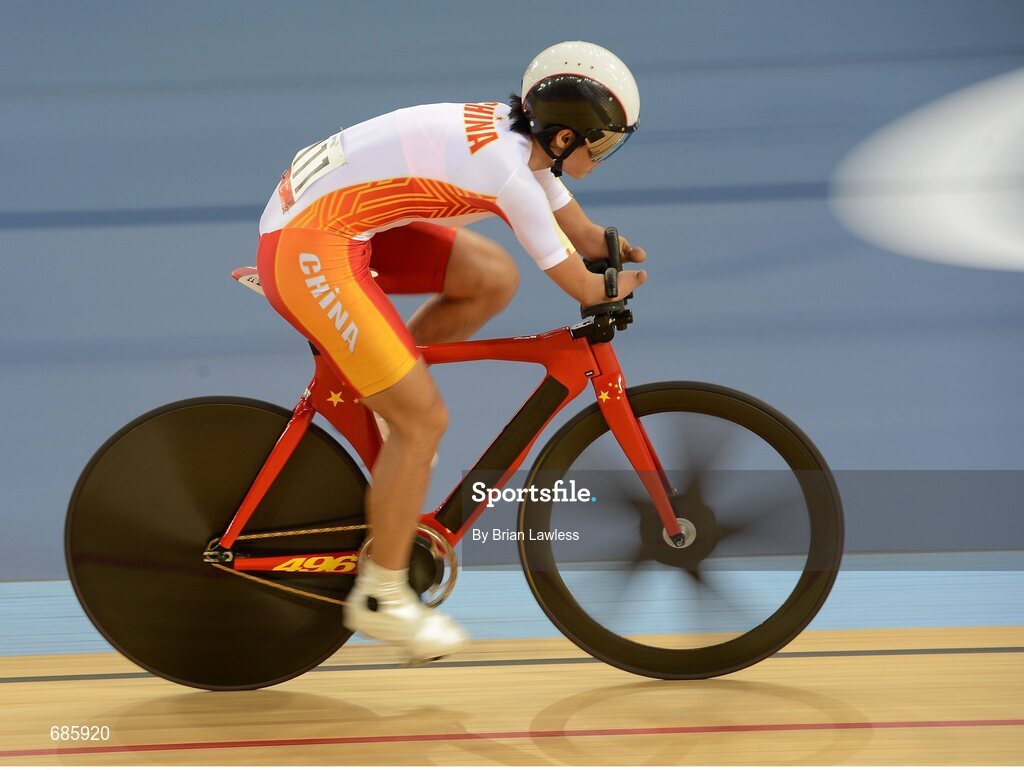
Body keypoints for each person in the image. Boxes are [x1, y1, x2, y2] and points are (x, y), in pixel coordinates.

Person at [256, 41, 647, 663]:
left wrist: (607, 245)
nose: (604, 153)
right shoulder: (512, 173)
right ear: (567, 136)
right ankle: (382, 597)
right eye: (602, 141)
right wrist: (613, 284)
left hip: (333, 222)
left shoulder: (521, 139)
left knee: (490, 277)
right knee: (426, 421)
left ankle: (384, 386)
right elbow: (575, 281)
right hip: (308, 248)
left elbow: (574, 228)